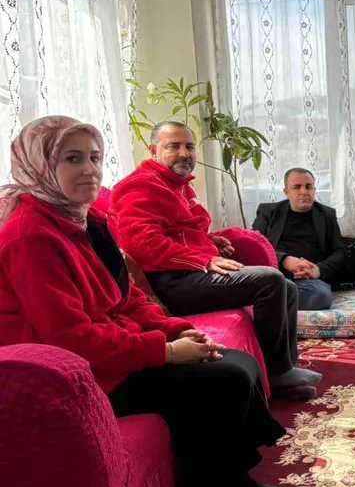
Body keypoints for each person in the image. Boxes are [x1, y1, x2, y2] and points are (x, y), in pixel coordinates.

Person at [0, 116, 301, 487]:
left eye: (94, 157)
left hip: (108, 349)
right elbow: (71, 338)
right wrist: (166, 352)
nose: (89, 169)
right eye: (72, 159)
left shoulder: (85, 220)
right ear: (39, 166)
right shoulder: (30, 237)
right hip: (73, 376)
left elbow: (126, 297)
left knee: (238, 361)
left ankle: (234, 480)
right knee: (223, 378)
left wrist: (176, 329)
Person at [110, 121, 320, 400]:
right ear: (153, 150)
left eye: (189, 146)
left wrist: (210, 241)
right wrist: (203, 259)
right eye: (173, 146)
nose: (184, 153)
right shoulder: (140, 186)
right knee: (270, 280)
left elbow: (180, 231)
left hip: (188, 274)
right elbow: (142, 244)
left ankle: (283, 370)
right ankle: (278, 372)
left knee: (287, 287)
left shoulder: (177, 184)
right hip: (169, 282)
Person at [252, 167, 346, 311]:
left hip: (307, 281)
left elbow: (340, 252)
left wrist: (318, 270)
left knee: (321, 296)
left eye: (308, 187)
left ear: (314, 190)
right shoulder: (268, 212)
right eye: (297, 187)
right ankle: (271, 297)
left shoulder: (327, 214)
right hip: (275, 275)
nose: (304, 192)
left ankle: (265, 300)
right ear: (286, 192)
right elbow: (255, 246)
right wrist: (284, 260)